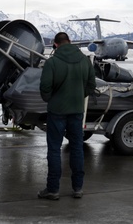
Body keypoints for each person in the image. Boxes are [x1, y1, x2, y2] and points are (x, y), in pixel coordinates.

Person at [37, 32, 96, 200]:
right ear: (70, 42)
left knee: (54, 149)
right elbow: (91, 85)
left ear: (55, 44)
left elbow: (45, 88)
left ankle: (53, 189)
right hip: (77, 111)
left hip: (57, 111)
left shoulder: (52, 62)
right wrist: (79, 95)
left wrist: (52, 99)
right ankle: (78, 188)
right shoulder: (85, 60)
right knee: (77, 148)